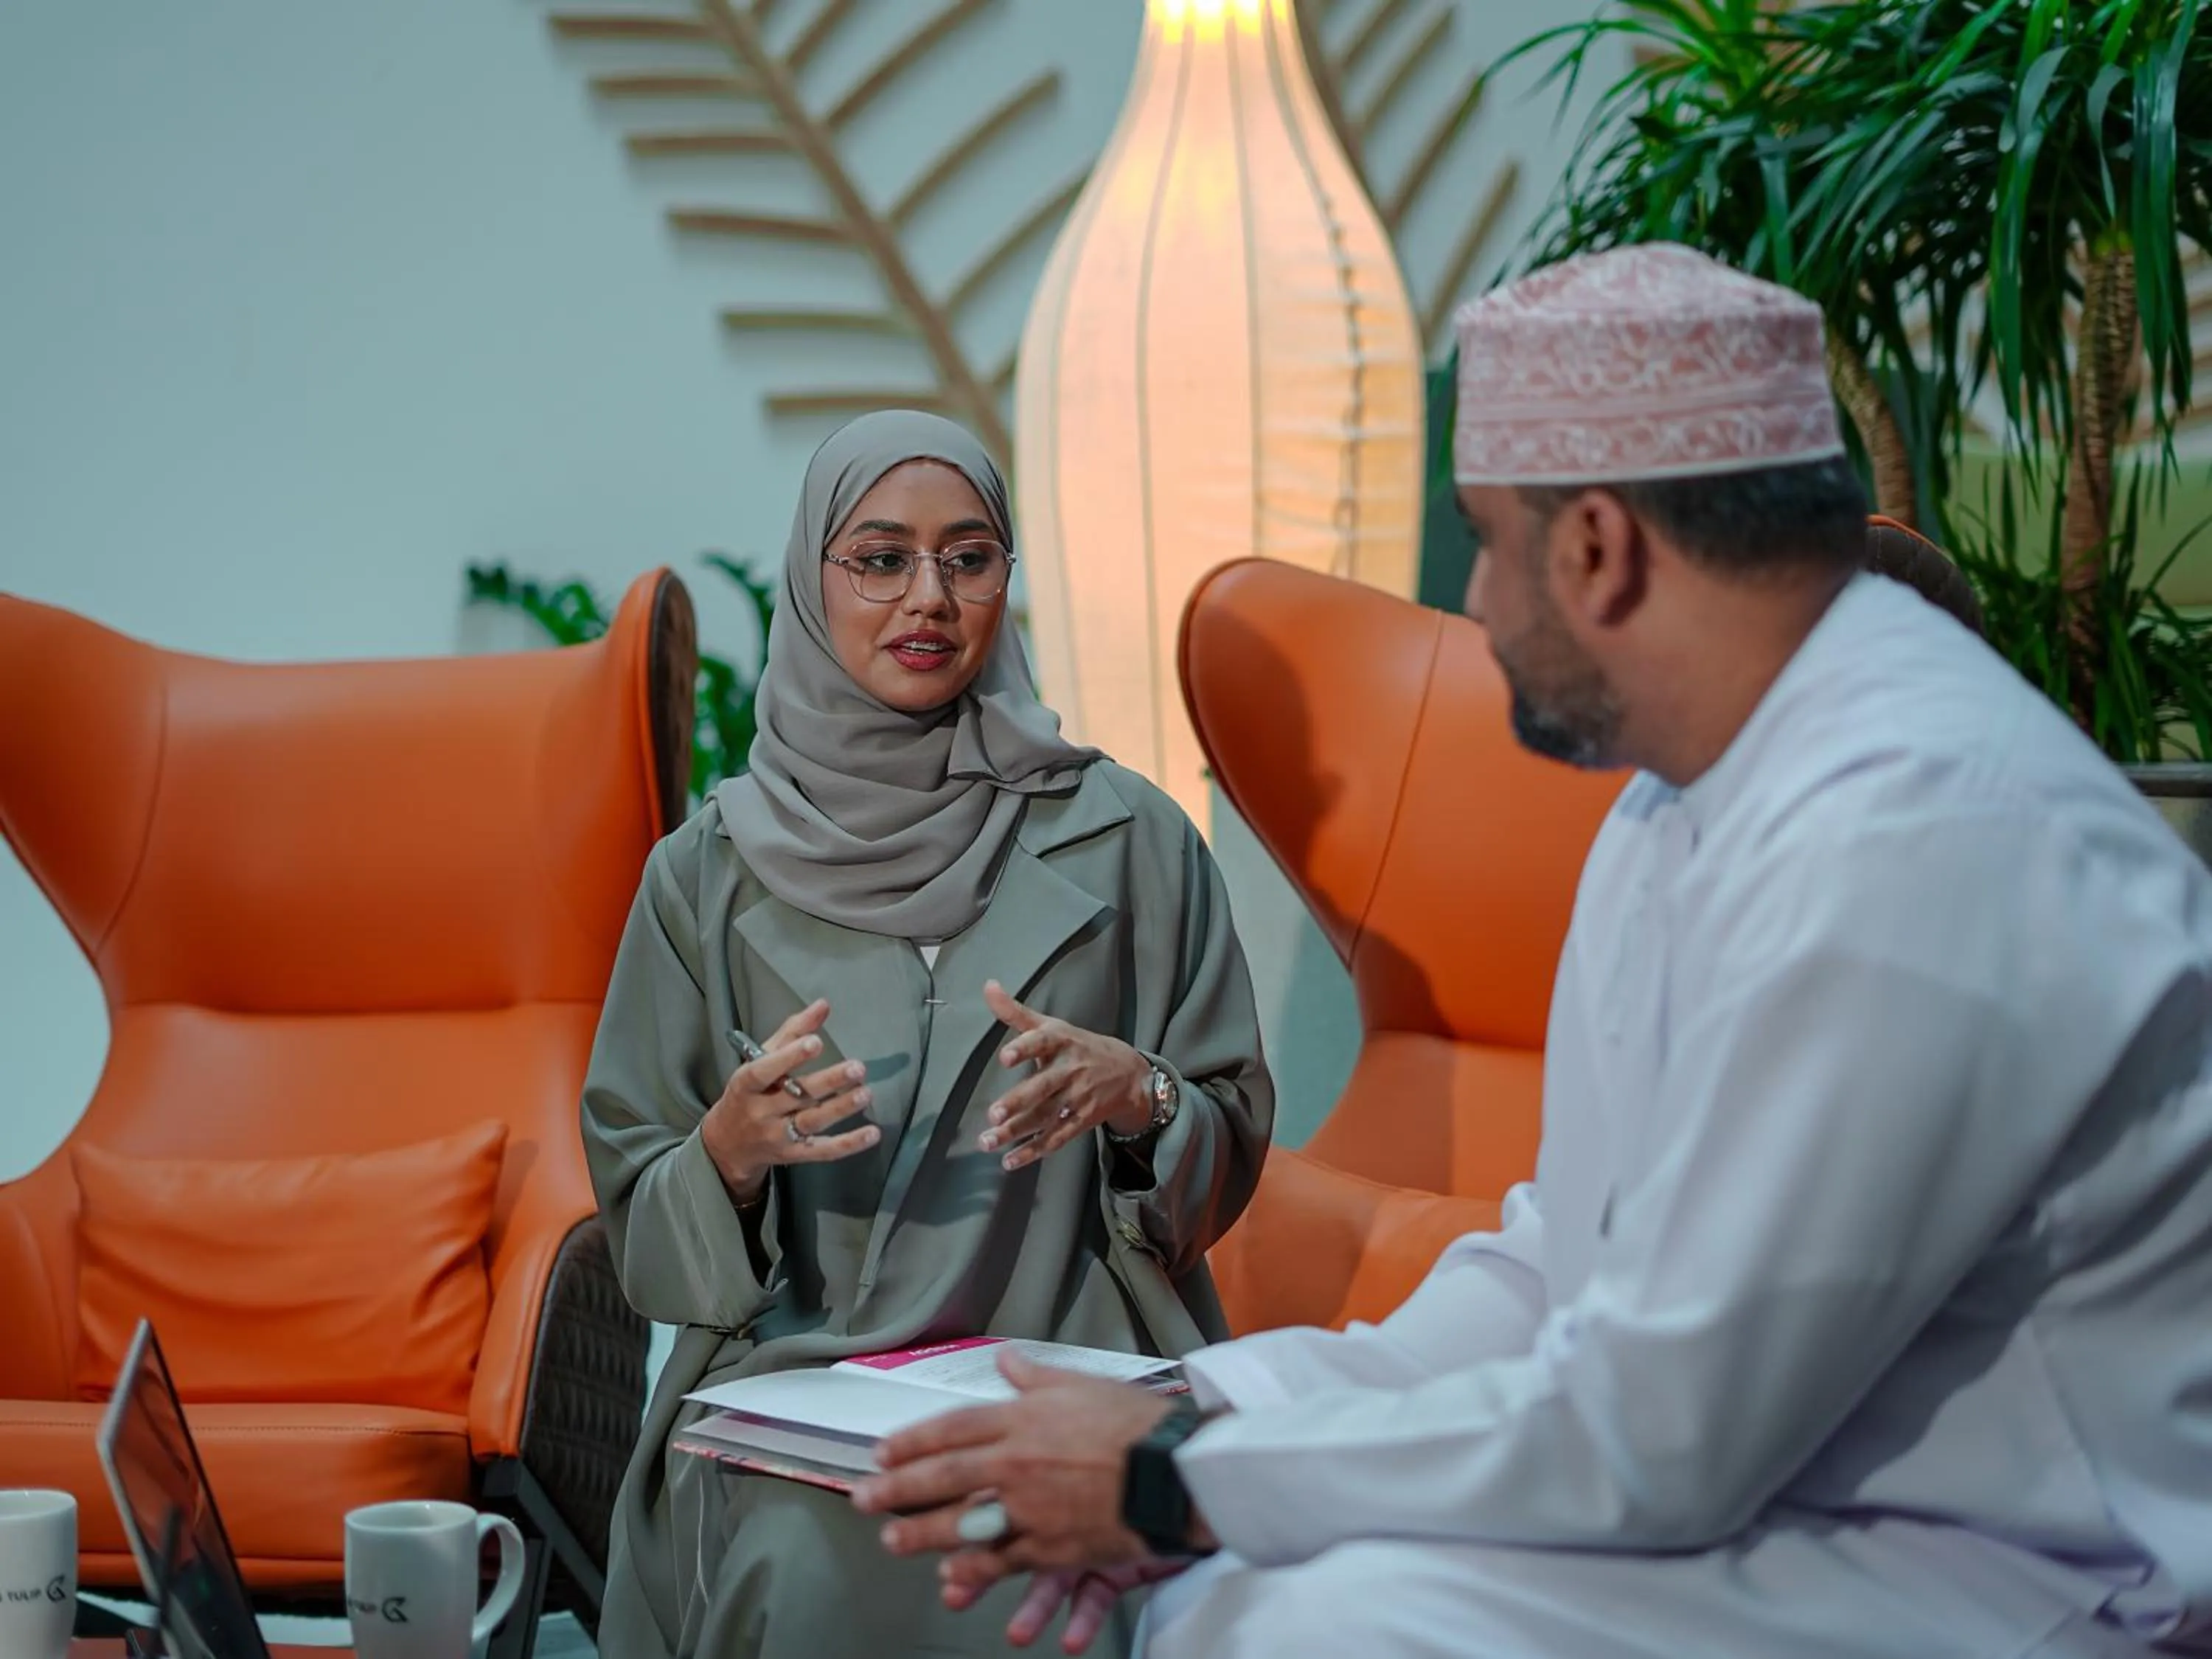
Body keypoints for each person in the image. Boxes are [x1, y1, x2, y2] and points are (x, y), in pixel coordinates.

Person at [854, 246, 2212, 1658]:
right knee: (1243, 1590)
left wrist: (1177, 1486)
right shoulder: (1677, 800)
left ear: (1599, 550)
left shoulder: (1919, 829)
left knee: (1315, 1622)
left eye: (1491, 543)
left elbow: (1667, 1429)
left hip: (2038, 1564)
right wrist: (1205, 1418)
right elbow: (1560, 1265)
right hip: (1815, 1499)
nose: (1483, 608)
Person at [581, 409, 1274, 1659]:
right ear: (814, 576)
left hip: (1069, 1371)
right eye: (880, 557)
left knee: (1061, 1586)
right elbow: (642, 1226)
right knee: (797, 1566)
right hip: (794, 1395)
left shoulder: (1134, 839)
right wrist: (729, 1150)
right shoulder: (707, 875)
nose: (929, 597)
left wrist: (1147, 1101)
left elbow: (1222, 1148)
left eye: (969, 558)